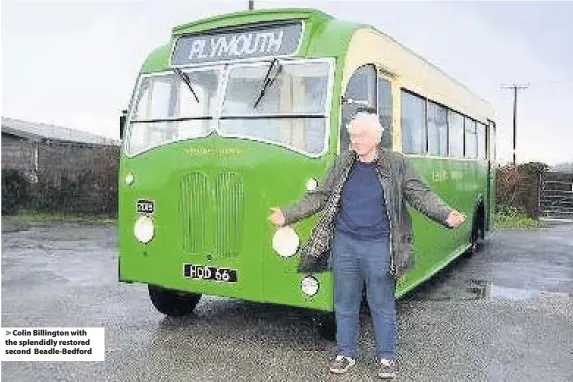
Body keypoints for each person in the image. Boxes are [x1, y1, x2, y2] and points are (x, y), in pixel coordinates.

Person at [268, 107, 466, 379]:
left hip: (379, 246)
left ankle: (387, 359)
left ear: (376, 137)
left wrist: (446, 214)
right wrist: (288, 213)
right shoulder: (343, 163)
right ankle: (345, 353)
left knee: (381, 303)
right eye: (352, 136)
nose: (355, 141)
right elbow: (320, 196)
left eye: (360, 136)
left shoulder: (397, 164)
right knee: (345, 303)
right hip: (346, 244)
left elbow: (421, 194)